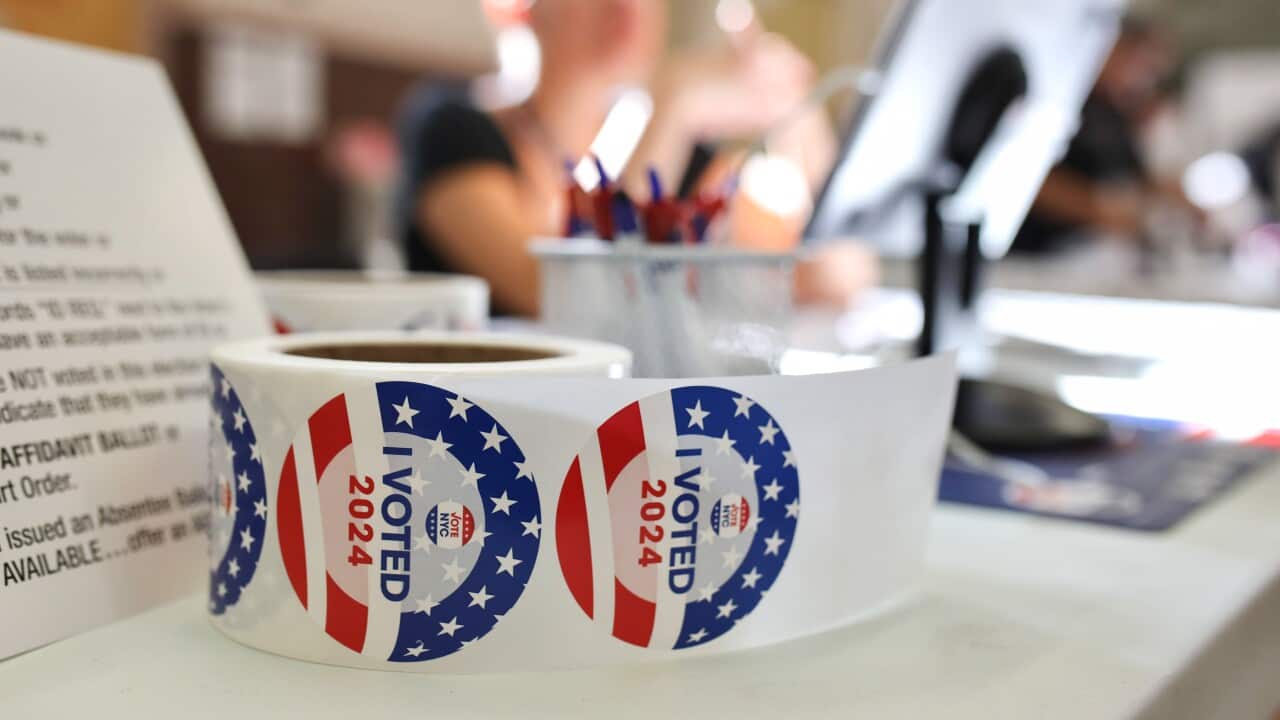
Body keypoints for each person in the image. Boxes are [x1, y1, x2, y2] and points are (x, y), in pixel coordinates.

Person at [398, 0, 873, 315]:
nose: (624, 5)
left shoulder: (682, 158)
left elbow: (832, 274)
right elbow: (557, 294)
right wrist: (672, 108)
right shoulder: (454, 130)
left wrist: (799, 118)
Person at [1014, 17, 1200, 254]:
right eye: (1145, 66)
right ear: (1114, 47)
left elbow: (1139, 176)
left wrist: (1178, 198)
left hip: (1064, 251)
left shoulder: (1112, 112)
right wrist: (1099, 212)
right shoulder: (1058, 92)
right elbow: (1023, 173)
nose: (1145, 82)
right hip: (1021, 243)